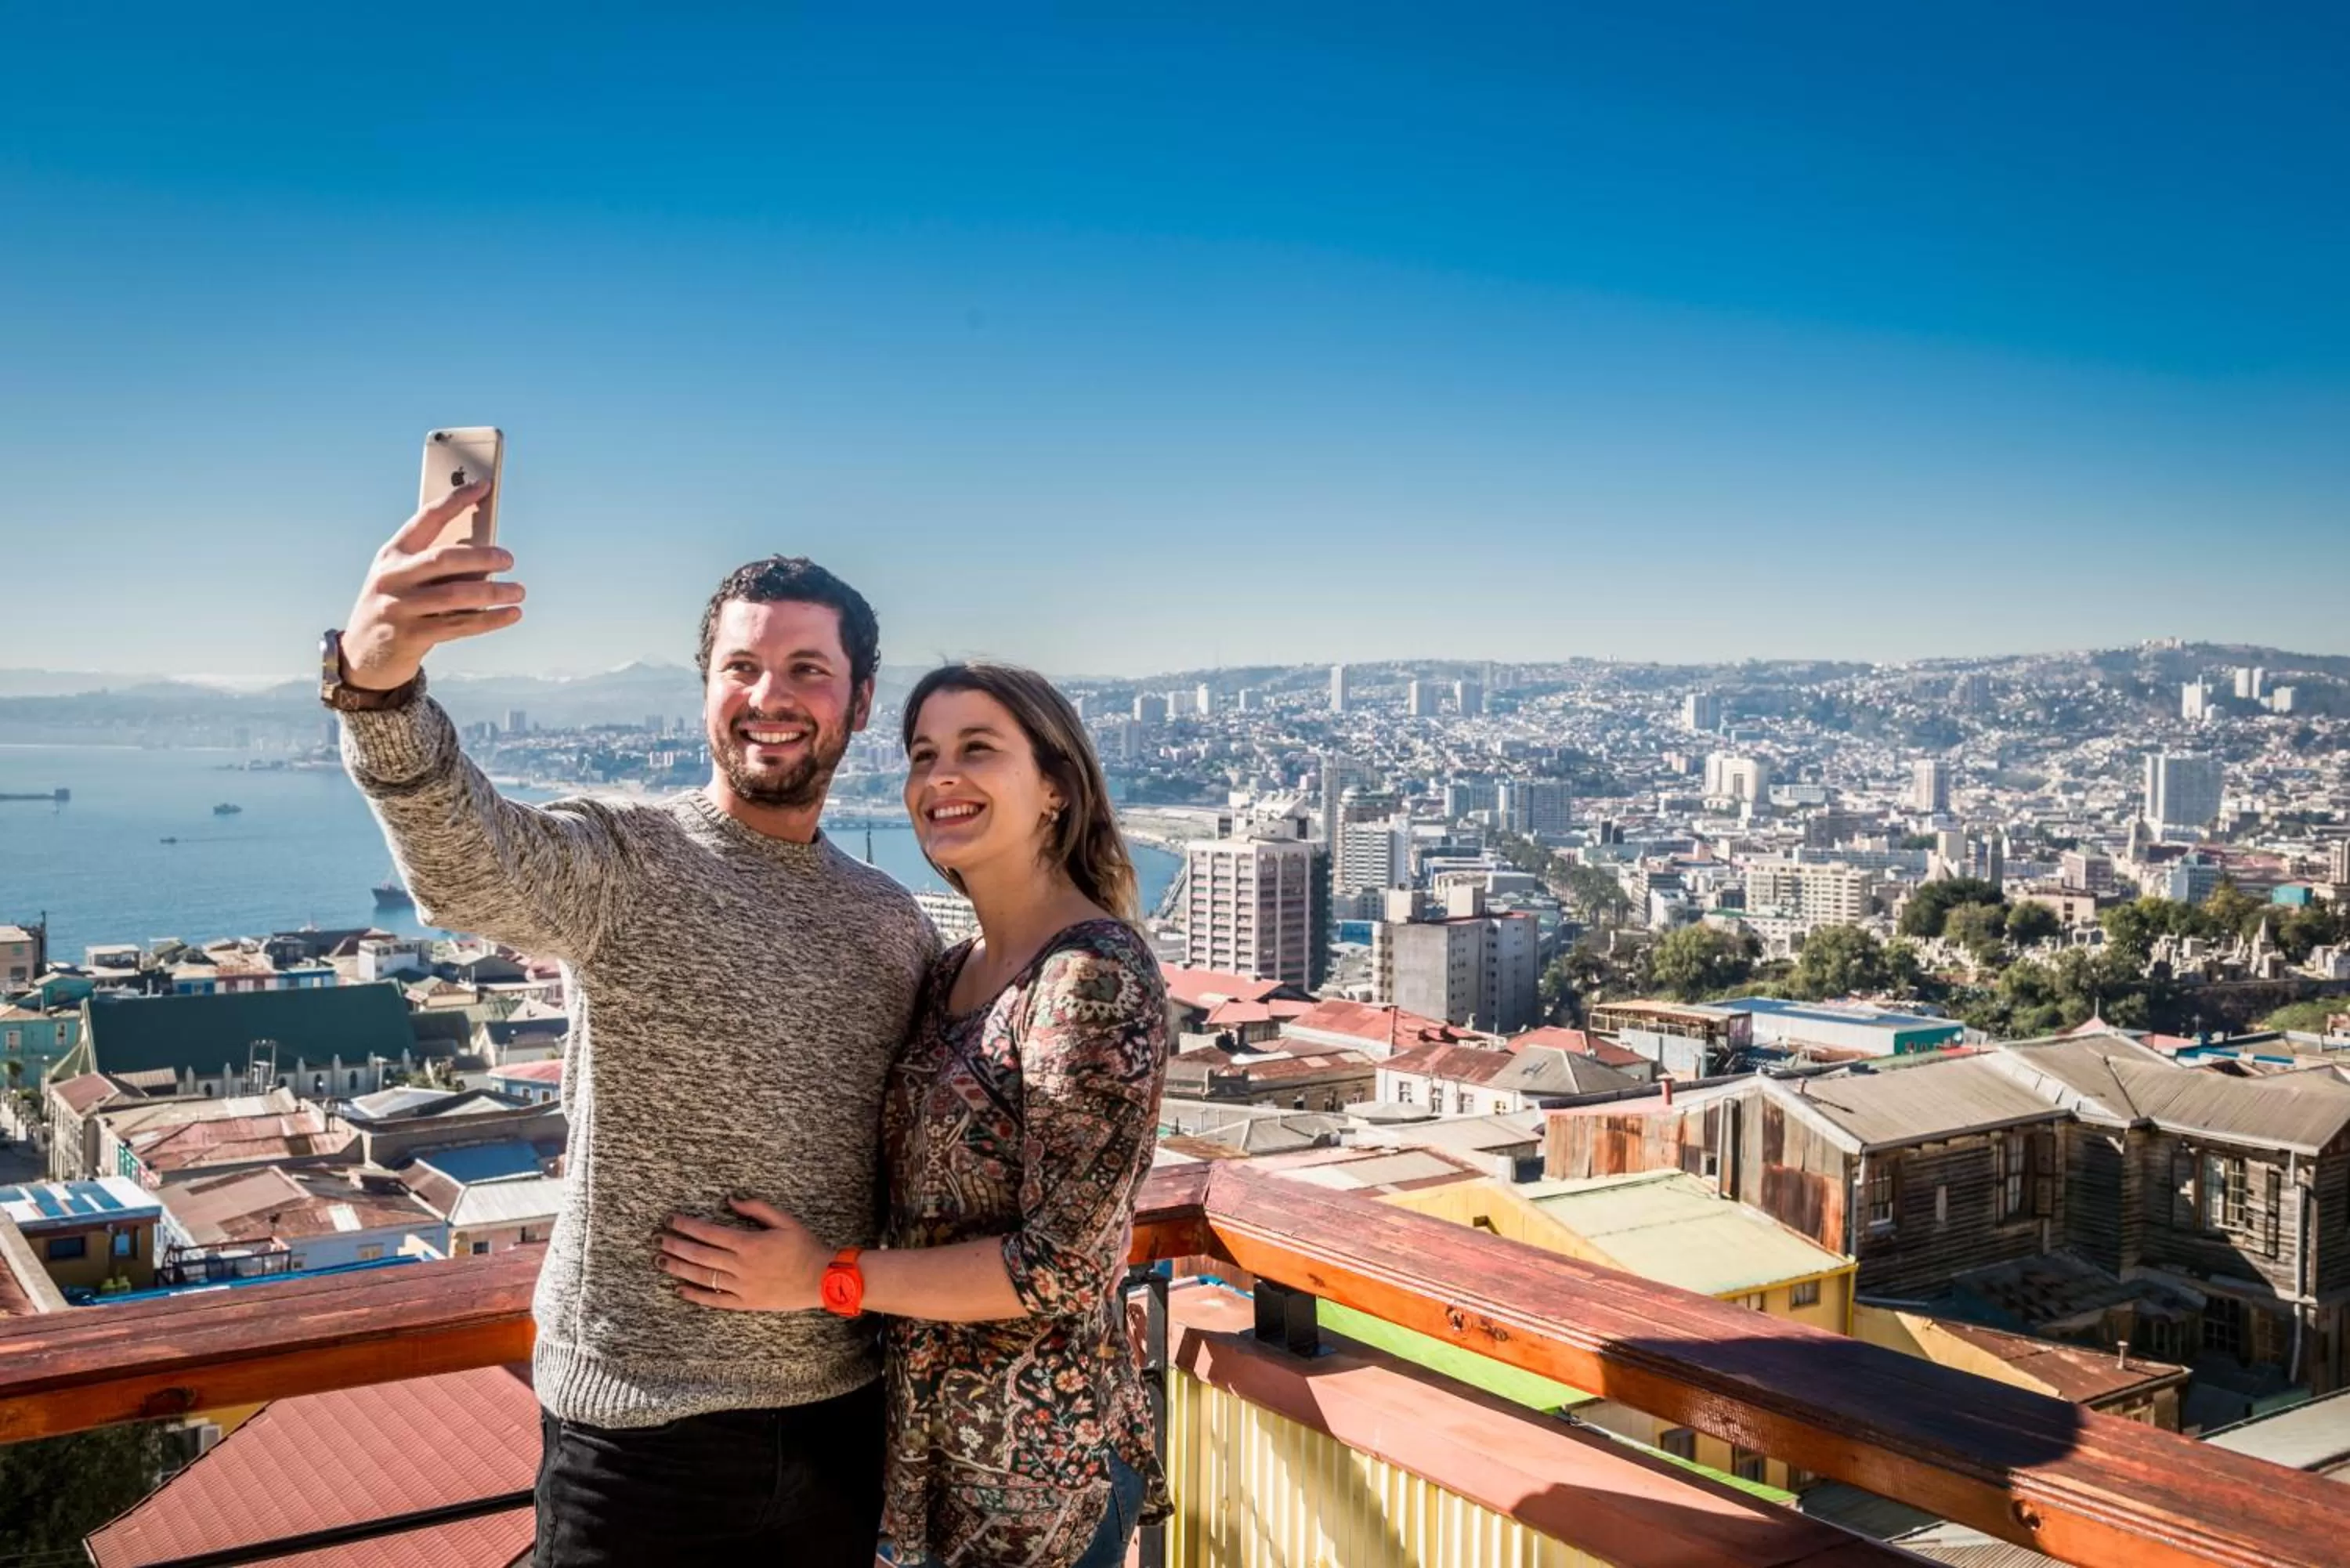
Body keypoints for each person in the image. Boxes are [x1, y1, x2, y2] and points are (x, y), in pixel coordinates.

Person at [326, 479, 935, 1566]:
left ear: (861, 695)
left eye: (807, 669)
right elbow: (468, 862)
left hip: (846, 1421)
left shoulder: (891, 923)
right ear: (704, 688)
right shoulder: (630, 859)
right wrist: (378, 688)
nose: (770, 695)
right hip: (640, 1440)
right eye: (741, 667)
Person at [660, 661, 1171, 1568]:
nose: (940, 777)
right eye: (922, 753)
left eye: (978, 749)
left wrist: (825, 1278)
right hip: (930, 1459)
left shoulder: (1089, 979)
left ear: (1055, 787)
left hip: (1039, 1474)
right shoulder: (949, 971)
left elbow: (1062, 1266)